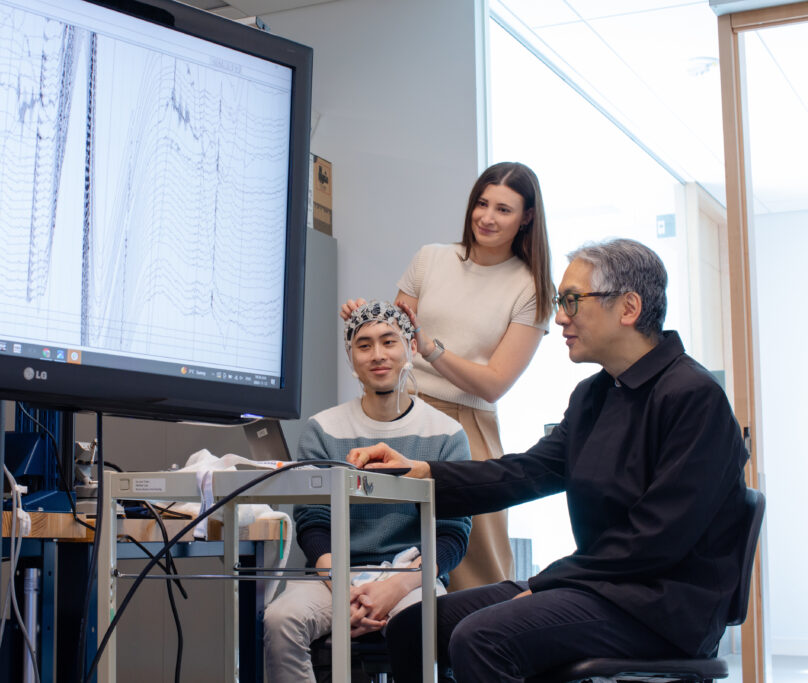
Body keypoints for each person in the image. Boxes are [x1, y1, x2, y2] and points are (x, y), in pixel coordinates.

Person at [348, 239, 750, 682]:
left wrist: (546, 584)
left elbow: (656, 538)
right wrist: (423, 473)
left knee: (482, 637)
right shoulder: (594, 395)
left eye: (572, 301)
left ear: (629, 308)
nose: (560, 317)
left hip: (662, 607)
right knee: (414, 627)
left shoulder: (694, 398)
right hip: (601, 585)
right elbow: (525, 472)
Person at [342, 161, 555, 590]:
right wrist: (364, 320)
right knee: (387, 548)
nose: (487, 217)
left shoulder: (531, 288)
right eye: (482, 203)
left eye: (503, 209)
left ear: (527, 217)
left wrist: (432, 349)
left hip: (467, 426)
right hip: (401, 416)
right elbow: (397, 340)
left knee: (476, 570)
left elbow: (494, 383)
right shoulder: (431, 259)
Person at [262, 300, 471, 683]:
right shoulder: (323, 430)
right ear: (351, 357)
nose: (377, 355)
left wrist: (397, 585)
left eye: (389, 341)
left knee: (423, 624)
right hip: (333, 575)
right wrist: (344, 588)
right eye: (364, 345)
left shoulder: (445, 434)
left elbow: (453, 534)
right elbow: (312, 521)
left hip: (411, 577)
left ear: (410, 348)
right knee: (280, 620)